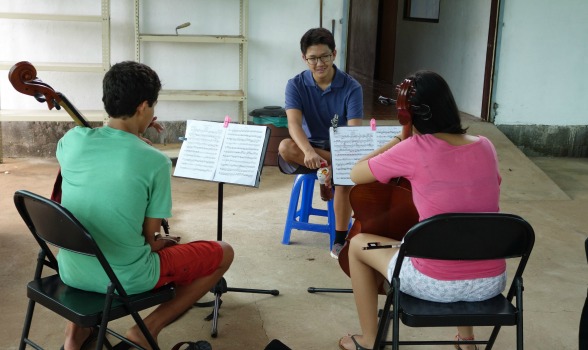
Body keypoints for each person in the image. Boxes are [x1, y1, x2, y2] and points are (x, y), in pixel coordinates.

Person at [56, 61, 234, 350]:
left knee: (93, 218)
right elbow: (149, 240)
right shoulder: (155, 162)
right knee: (223, 252)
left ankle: (74, 336)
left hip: (72, 268)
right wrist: (161, 243)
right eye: (152, 107)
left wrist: (134, 134)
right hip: (125, 277)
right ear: (143, 107)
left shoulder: (71, 141)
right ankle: (146, 329)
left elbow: (100, 178)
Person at [338, 71, 504, 350]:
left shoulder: (414, 149)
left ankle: (368, 340)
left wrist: (396, 142)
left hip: (435, 284)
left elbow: (356, 174)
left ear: (408, 116)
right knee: (463, 232)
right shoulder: (486, 146)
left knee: (357, 245)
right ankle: (467, 341)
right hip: (491, 282)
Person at [278, 27, 364, 258]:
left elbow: (354, 131)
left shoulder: (352, 87)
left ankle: (339, 240)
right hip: (308, 152)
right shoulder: (295, 84)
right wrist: (308, 151)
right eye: (313, 58)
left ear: (334, 54)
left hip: (340, 150)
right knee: (285, 146)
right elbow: (294, 124)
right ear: (304, 58)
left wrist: (340, 161)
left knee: (344, 177)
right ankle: (332, 172)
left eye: (324, 56)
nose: (319, 64)